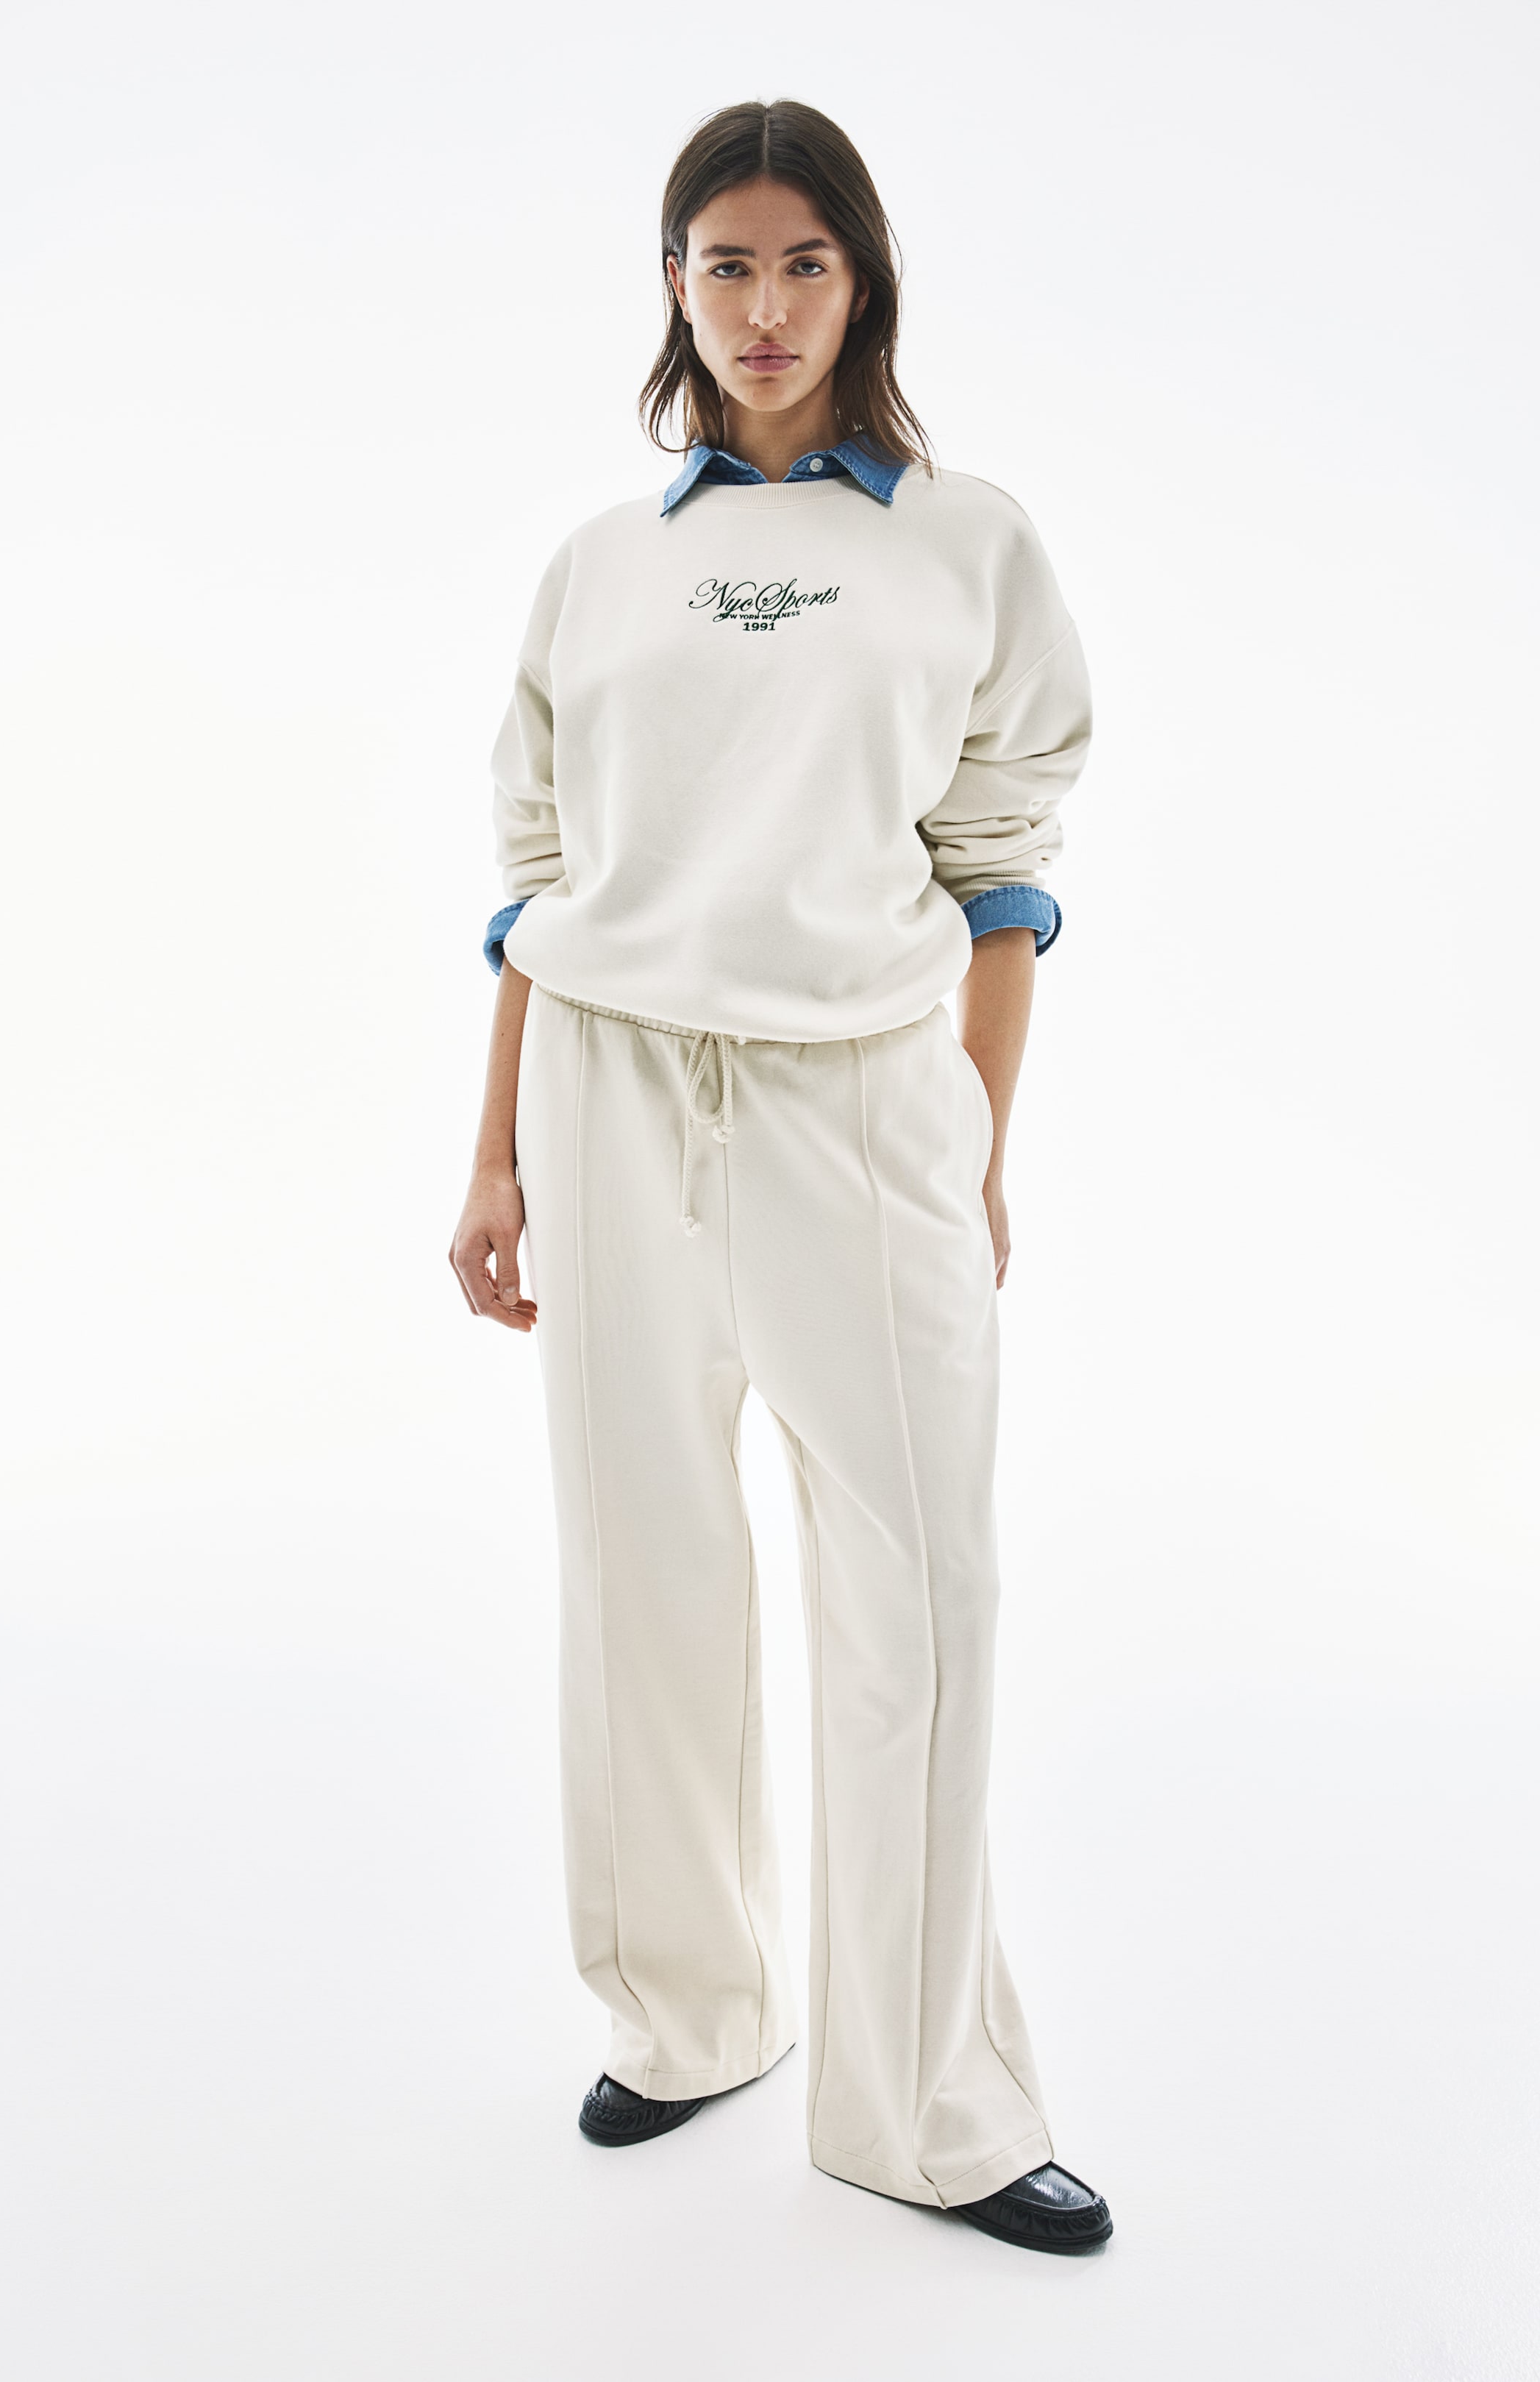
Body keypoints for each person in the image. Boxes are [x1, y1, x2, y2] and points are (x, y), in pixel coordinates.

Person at [449, 98, 1111, 2255]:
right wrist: (495, 1155)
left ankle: (928, 2104)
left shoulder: (967, 544)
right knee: (642, 1569)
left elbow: (1001, 865)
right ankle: (687, 2012)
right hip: (609, 1096)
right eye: (723, 264)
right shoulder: (601, 564)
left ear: (863, 278)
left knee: (919, 1590)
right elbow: (542, 881)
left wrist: (977, 1137)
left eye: (801, 262)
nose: (761, 306)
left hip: (861, 1102)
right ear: (674, 283)